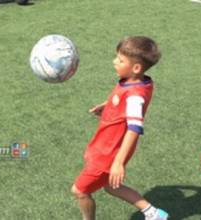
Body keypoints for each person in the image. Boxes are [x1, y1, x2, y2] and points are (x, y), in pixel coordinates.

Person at [71, 36, 168, 220]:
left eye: (120, 60)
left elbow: (134, 128)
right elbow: (122, 101)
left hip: (109, 153)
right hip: (107, 148)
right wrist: (108, 105)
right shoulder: (136, 81)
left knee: (79, 190)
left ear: (136, 68)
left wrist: (117, 162)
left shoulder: (134, 96)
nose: (114, 61)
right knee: (110, 185)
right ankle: (153, 213)